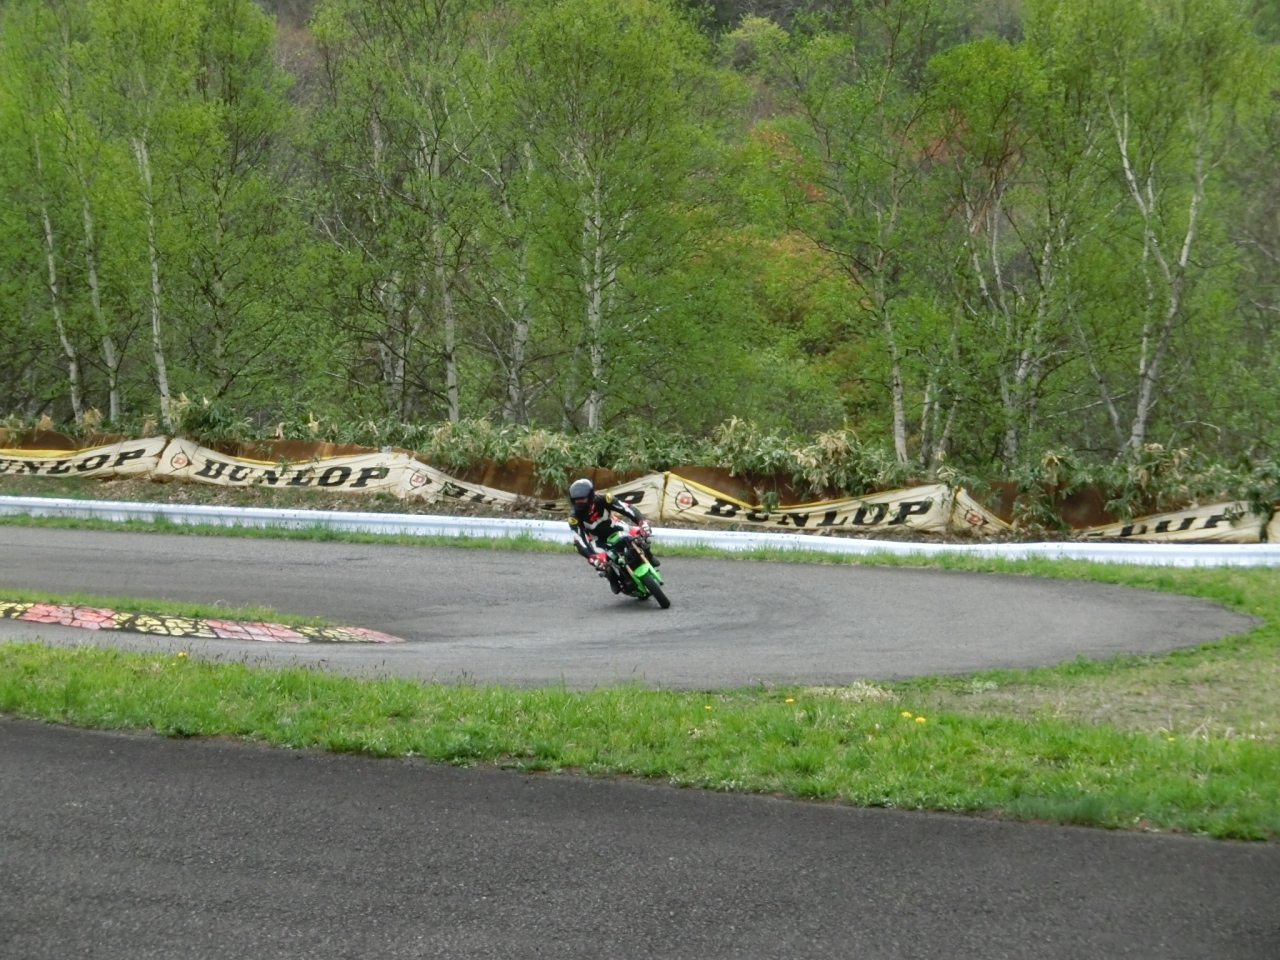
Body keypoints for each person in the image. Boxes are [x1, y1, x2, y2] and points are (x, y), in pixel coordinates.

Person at [567, 477, 653, 593]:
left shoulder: (604, 499)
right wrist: (591, 557)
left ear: (590, 495)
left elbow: (626, 508)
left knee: (644, 535)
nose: (579, 502)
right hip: (597, 540)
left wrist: (642, 522)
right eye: (576, 500)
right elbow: (579, 540)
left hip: (616, 527)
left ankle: (650, 556)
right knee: (600, 563)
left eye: (582, 499)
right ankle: (612, 579)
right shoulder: (573, 517)